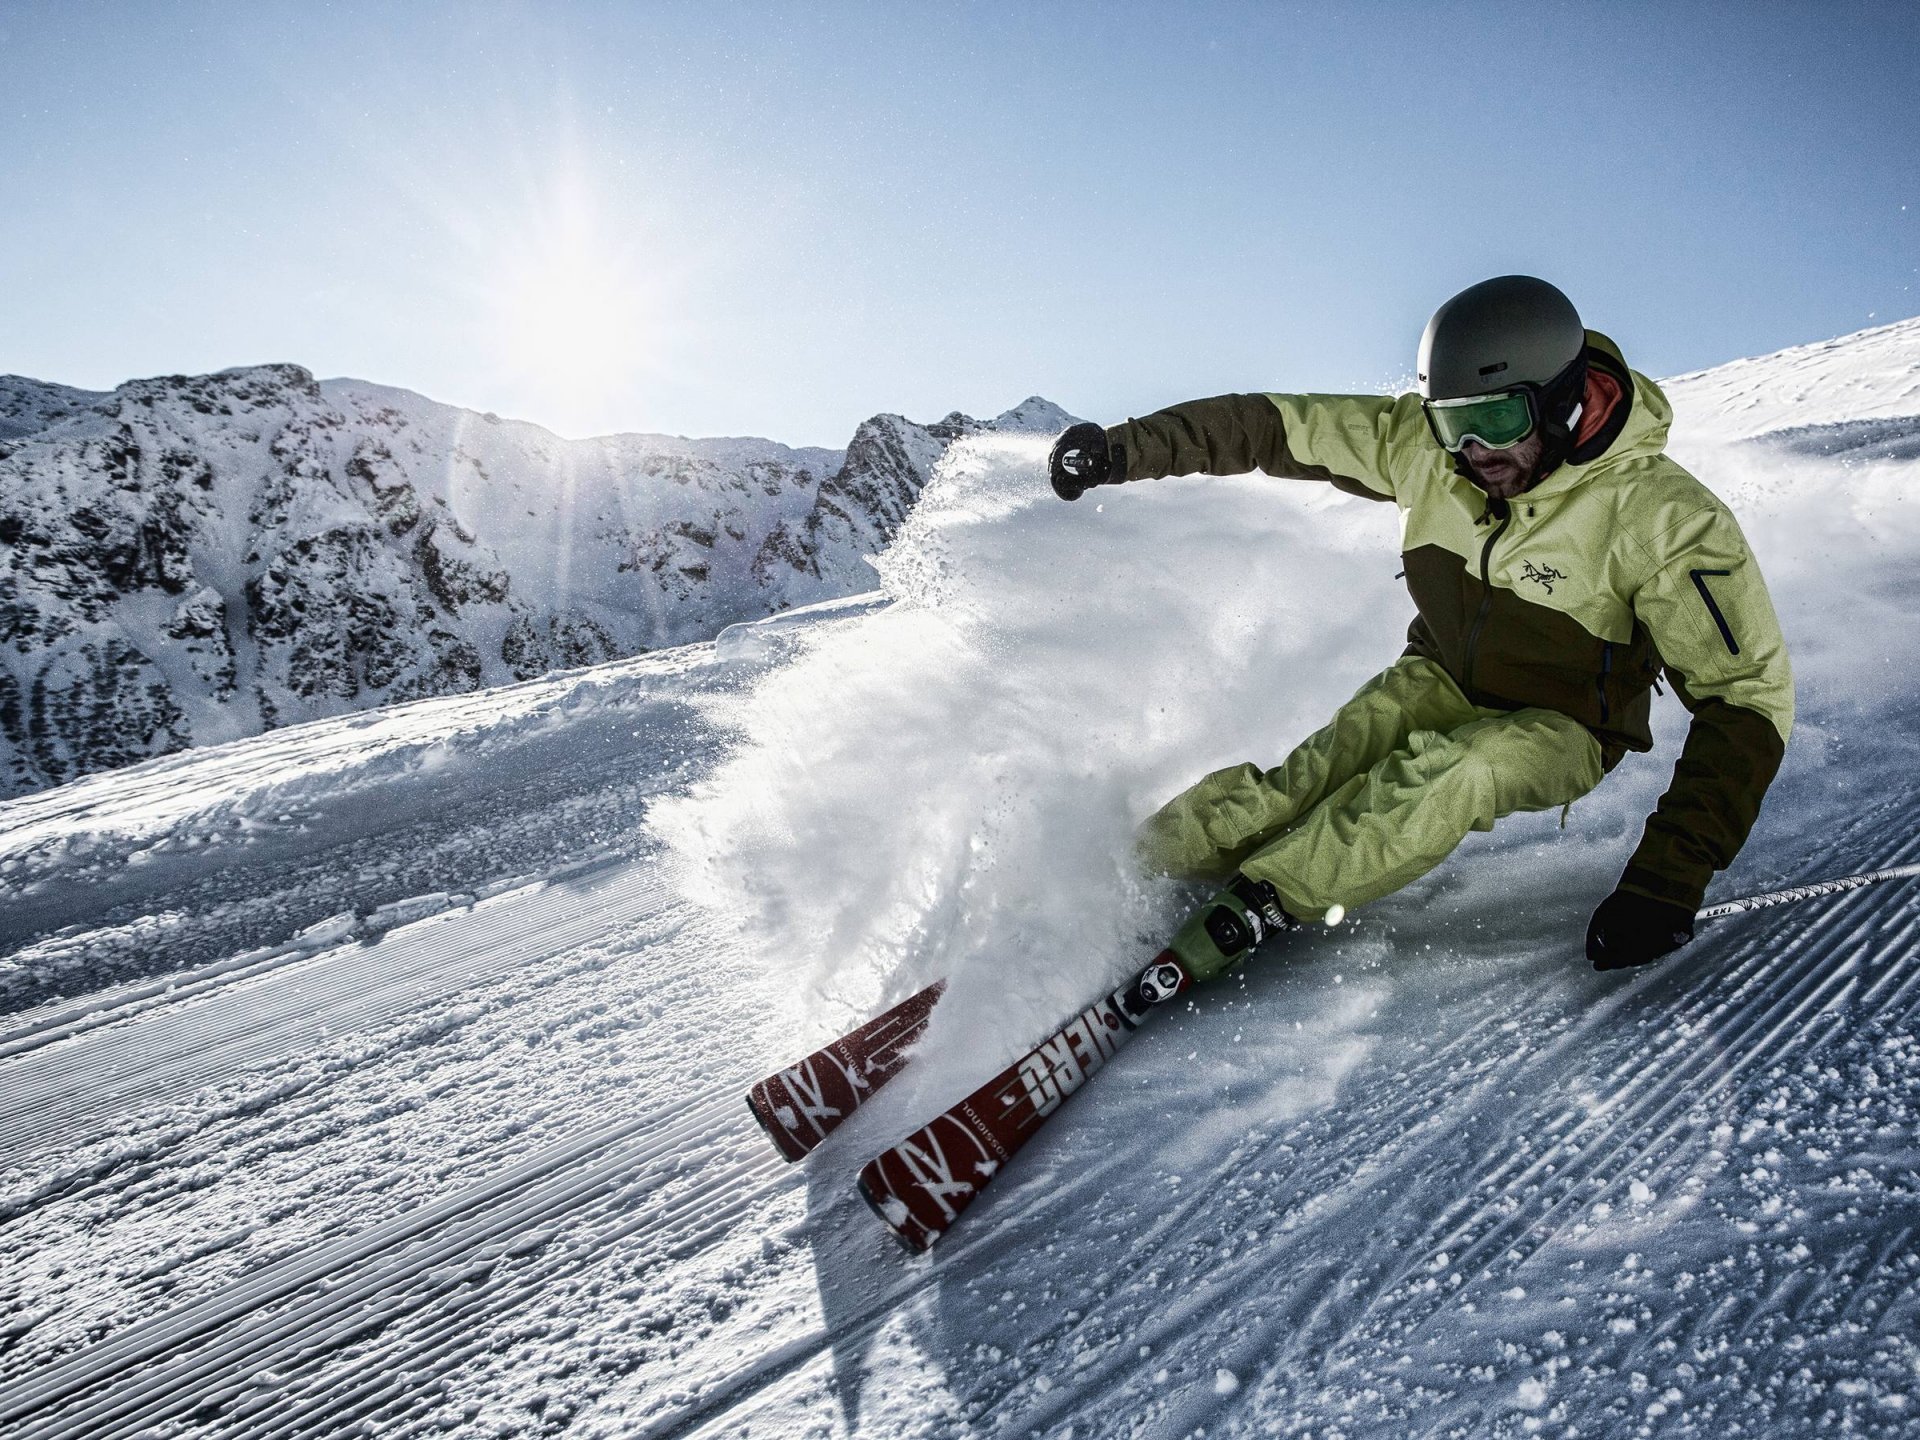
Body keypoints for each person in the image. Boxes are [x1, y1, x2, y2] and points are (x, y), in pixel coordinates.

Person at [1047, 276, 1793, 982]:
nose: (1474, 452)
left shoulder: (1666, 520)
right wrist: (1122, 450)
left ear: (1564, 402)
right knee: (1297, 787)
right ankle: (1119, 877)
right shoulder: (1428, 452)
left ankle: (1262, 905)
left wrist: (1666, 883)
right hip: (1436, 677)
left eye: (1497, 419)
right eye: (1453, 422)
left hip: (1564, 725)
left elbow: (1748, 702)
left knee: (1455, 772)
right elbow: (1269, 425)